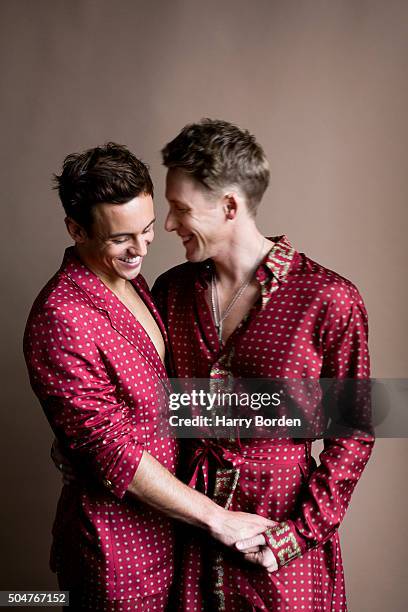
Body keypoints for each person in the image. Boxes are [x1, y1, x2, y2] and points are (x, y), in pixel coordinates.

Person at [23, 142, 274, 611]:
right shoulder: (61, 317)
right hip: (115, 548)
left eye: (147, 228)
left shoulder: (133, 281)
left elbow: (163, 400)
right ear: (76, 229)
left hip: (174, 532)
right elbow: (112, 453)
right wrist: (218, 519)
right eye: (121, 238)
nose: (140, 249)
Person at [151, 119, 374, 611]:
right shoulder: (170, 292)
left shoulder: (327, 299)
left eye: (179, 209)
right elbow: (150, 402)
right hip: (189, 530)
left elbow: (354, 431)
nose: (168, 225)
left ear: (230, 206)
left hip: (281, 538)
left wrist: (294, 537)